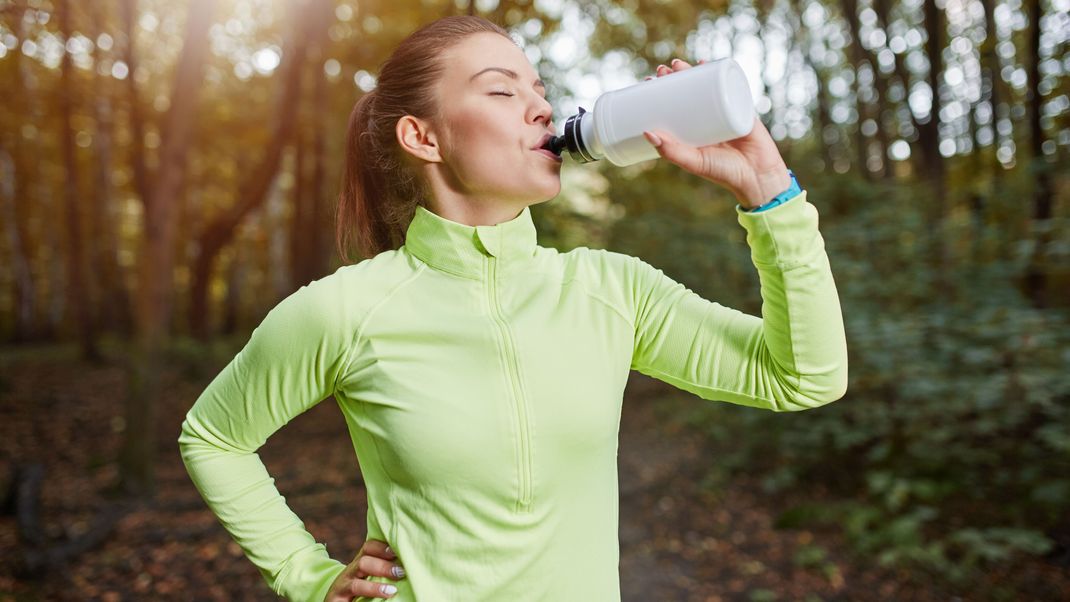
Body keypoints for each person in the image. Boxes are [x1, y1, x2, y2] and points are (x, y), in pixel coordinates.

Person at [178, 14, 848, 602]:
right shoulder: (346, 310)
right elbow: (212, 438)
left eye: (540, 91)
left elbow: (803, 377)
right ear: (424, 138)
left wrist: (770, 196)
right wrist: (308, 575)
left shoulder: (611, 291)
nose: (539, 109)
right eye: (503, 91)